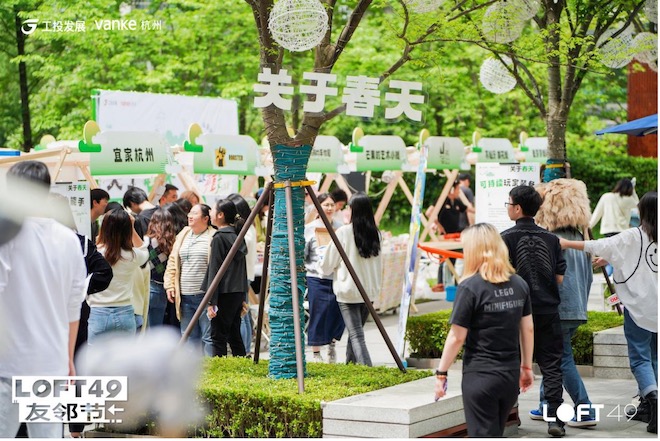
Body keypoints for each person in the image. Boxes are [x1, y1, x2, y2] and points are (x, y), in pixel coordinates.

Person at [0, 161, 87, 438]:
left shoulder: (6, 239)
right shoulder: (68, 239)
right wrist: (68, 357)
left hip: (10, 364)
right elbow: (74, 307)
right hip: (51, 362)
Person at [561, 191, 658, 434]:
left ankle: (654, 403)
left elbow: (597, 245)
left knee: (640, 359)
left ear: (643, 212)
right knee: (655, 358)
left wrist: (566, 243)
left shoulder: (633, 235)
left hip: (639, 310)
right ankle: (650, 405)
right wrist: (609, 260)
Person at [433, 223, 534, 437]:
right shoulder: (519, 284)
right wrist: (526, 367)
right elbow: (528, 329)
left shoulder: (469, 287)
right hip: (510, 376)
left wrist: (441, 373)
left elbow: (456, 337)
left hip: (480, 377)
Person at [501, 185, 567, 437]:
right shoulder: (551, 239)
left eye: (509, 204)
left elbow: (499, 277)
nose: (508, 208)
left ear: (517, 208)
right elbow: (559, 278)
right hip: (547, 310)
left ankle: (508, 417)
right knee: (551, 366)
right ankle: (555, 420)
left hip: (515, 313)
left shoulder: (504, 238)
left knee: (511, 364)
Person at [533, 179, 597, 427]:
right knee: (553, 357)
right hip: (576, 308)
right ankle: (544, 405)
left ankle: (585, 409)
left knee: (561, 359)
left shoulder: (551, 239)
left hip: (559, 310)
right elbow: (589, 277)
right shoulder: (580, 238)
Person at [320, 193, 382, 366]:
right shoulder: (376, 234)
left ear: (353, 210)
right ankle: (351, 365)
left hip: (348, 290)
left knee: (356, 334)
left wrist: (324, 266)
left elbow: (328, 263)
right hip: (369, 291)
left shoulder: (344, 232)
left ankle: (367, 368)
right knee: (356, 332)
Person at [89, 208, 149, 343]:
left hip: (99, 313)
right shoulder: (132, 255)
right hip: (125, 313)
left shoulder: (96, 253)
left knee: (96, 355)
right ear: (127, 231)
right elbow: (144, 250)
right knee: (125, 355)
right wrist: (132, 227)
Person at [164, 204, 215, 355]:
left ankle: (211, 368)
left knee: (208, 337)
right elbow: (172, 261)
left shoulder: (213, 236)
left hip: (205, 296)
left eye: (194, 213)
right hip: (184, 295)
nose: (189, 216)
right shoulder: (184, 234)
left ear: (205, 218)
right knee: (188, 336)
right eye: (190, 213)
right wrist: (169, 285)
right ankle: (192, 369)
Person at [204, 199, 249, 357]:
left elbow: (214, 270)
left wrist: (211, 301)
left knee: (218, 336)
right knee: (233, 334)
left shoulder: (219, 238)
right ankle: (241, 365)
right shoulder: (237, 236)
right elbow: (242, 270)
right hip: (236, 291)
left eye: (212, 210)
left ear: (220, 215)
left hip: (223, 293)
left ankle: (220, 367)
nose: (210, 213)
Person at [305, 193, 345, 363]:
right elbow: (304, 254)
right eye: (326, 205)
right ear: (317, 207)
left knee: (337, 313)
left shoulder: (341, 228)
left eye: (331, 205)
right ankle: (316, 352)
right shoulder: (310, 228)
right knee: (318, 314)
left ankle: (331, 345)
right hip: (316, 277)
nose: (329, 208)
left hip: (336, 277)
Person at [227, 193, 257, 355]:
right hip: (245, 275)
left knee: (242, 314)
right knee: (243, 313)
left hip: (241, 276)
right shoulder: (248, 227)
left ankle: (244, 350)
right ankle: (244, 350)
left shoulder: (244, 230)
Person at [145, 207, 179, 327]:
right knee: (157, 328)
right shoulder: (174, 243)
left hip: (148, 288)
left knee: (145, 330)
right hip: (164, 290)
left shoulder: (146, 241)